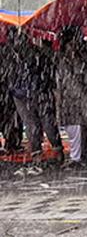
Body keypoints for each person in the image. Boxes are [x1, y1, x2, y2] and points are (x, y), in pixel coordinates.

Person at [10, 29, 64, 162]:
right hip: (29, 92)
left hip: (30, 92)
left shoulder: (27, 54)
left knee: (39, 123)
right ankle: (48, 151)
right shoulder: (35, 53)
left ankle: (43, 152)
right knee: (40, 122)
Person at [56, 26, 87, 168]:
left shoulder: (84, 59)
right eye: (70, 44)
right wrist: (59, 101)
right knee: (72, 127)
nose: (73, 47)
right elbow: (59, 83)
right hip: (69, 98)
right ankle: (75, 156)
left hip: (86, 95)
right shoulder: (62, 62)